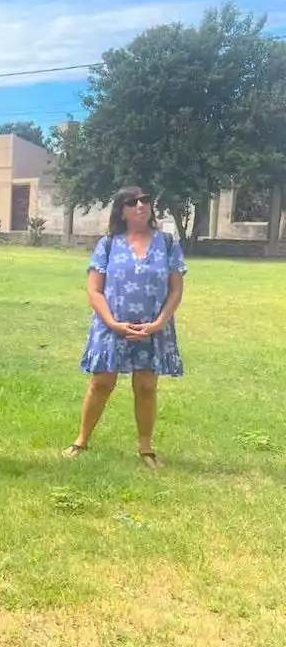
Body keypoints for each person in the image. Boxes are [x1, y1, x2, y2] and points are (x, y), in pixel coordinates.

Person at [64, 186, 187, 469]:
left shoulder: (168, 243)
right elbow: (94, 290)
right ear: (122, 210)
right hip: (112, 326)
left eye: (145, 200)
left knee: (146, 387)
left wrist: (159, 322)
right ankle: (81, 441)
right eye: (133, 202)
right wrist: (112, 323)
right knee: (101, 384)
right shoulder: (108, 244)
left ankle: (146, 448)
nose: (141, 205)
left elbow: (176, 290)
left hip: (152, 329)